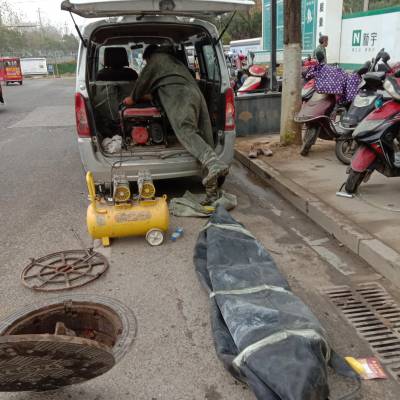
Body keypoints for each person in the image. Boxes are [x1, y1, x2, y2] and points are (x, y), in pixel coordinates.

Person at [123, 45, 229, 204]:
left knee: (186, 131)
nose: (146, 63)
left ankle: (213, 164)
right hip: (195, 94)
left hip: (182, 97)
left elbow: (140, 86)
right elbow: (163, 87)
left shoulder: (156, 60)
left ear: (148, 57)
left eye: (145, 61)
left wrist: (130, 99)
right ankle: (212, 192)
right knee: (203, 136)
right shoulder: (175, 63)